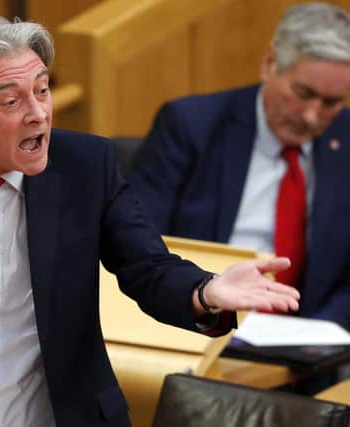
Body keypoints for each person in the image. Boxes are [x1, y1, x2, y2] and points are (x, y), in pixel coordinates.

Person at [0, 16, 299, 427]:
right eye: (11, 101)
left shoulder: (86, 166)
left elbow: (148, 268)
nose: (38, 114)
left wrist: (205, 291)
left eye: (43, 89)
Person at [129, 2, 350, 332]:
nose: (311, 116)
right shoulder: (190, 126)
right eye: (303, 93)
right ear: (269, 63)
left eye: (331, 103)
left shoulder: (345, 140)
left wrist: (322, 333)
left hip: (307, 351)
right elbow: (137, 246)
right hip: (198, 326)